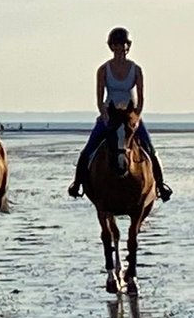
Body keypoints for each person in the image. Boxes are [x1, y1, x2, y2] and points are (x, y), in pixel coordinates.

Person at [66, 27, 172, 202]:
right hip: (110, 116)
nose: (119, 48)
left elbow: (141, 97)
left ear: (127, 47)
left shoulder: (136, 69)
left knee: (151, 150)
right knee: (87, 151)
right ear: (111, 47)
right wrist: (104, 114)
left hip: (130, 117)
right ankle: (77, 184)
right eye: (116, 45)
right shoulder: (103, 70)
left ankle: (160, 186)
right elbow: (99, 98)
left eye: (122, 45)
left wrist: (136, 116)